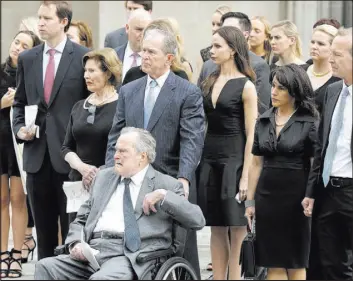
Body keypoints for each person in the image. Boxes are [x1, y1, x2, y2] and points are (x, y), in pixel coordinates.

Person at [34, 127, 206, 280]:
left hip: (130, 256)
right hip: (91, 251)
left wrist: (163, 196)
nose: (115, 156)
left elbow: (197, 220)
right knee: (46, 267)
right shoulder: (103, 177)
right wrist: (75, 243)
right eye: (116, 150)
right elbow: (81, 219)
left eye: (123, 151)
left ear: (142, 156)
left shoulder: (166, 185)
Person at [105, 28, 205, 278]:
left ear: (169, 58)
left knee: (181, 249)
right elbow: (115, 137)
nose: (144, 57)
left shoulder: (186, 92)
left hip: (168, 176)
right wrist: (109, 173)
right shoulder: (129, 91)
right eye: (142, 51)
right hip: (130, 180)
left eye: (151, 52)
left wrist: (184, 178)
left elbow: (192, 139)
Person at [12, 1, 90, 260]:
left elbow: (90, 105)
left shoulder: (82, 57)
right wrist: (20, 128)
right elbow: (20, 103)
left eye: (46, 18)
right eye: (39, 18)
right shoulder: (28, 58)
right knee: (43, 236)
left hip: (70, 159)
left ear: (64, 21)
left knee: (72, 234)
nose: (41, 23)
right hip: (36, 157)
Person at [245, 64, 319, 280]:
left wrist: (311, 195)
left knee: (296, 262)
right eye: (273, 86)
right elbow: (256, 163)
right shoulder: (264, 119)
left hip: (297, 198)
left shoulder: (310, 122)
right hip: (267, 197)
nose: (273, 92)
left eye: (280, 88)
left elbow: (316, 163)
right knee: (272, 262)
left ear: (294, 92)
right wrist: (250, 202)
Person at [198, 26, 258, 280]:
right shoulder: (209, 80)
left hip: (234, 159)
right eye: (211, 46)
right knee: (215, 227)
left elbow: (252, 133)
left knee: (237, 228)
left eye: (217, 46)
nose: (211, 51)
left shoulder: (246, 86)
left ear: (233, 49)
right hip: (210, 158)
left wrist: (246, 175)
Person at [302, 27, 353, 280]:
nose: (330, 59)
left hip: (351, 190)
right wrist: (311, 192)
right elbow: (321, 146)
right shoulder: (333, 91)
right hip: (328, 191)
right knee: (329, 263)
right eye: (330, 53)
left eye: (338, 54)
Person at [62, 48, 122, 223]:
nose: (86, 76)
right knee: (77, 238)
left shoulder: (121, 106)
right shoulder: (79, 106)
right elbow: (66, 147)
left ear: (108, 72)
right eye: (85, 71)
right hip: (78, 184)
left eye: (92, 71)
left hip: (109, 182)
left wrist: (99, 173)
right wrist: (83, 168)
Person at [0, 30, 41, 279]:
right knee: (1, 200)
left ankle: (17, 252)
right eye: (16, 42)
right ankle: (2, 253)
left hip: (20, 142)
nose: (18, 47)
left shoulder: (31, 75)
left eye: (25, 45)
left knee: (18, 198)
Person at [198, 12, 271, 114]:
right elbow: (198, 104)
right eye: (223, 29)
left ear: (245, 34)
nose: (224, 33)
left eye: (230, 30)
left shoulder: (259, 66)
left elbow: (260, 110)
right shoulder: (208, 66)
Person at [18, 17, 41, 262]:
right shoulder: (23, 63)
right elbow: (19, 103)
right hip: (24, 142)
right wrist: (19, 130)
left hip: (58, 149)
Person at [122, 18, 190, 85]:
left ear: (168, 57)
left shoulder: (180, 78)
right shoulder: (132, 75)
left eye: (151, 52)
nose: (144, 56)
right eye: (144, 50)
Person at [307, 24, 340, 114]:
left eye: (321, 44)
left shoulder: (339, 79)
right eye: (312, 42)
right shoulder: (300, 71)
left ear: (333, 48)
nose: (314, 46)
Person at [114, 9, 152, 81]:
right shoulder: (114, 55)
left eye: (146, 30)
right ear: (127, 28)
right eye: (139, 29)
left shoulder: (155, 60)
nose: (143, 34)